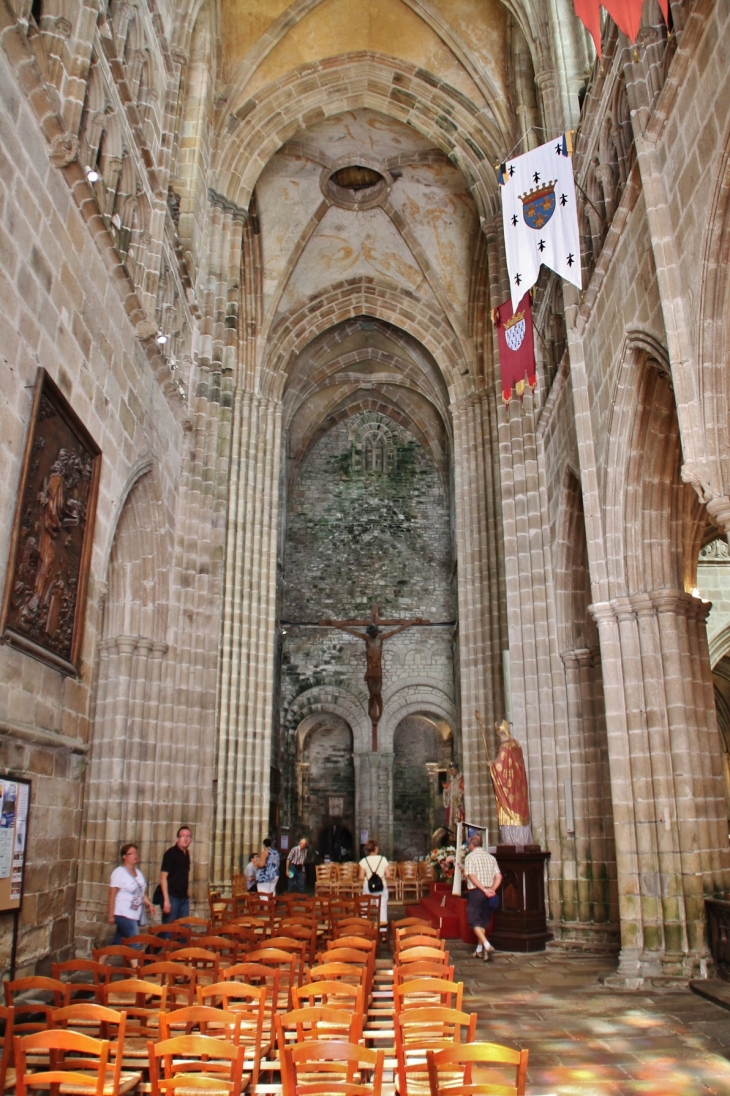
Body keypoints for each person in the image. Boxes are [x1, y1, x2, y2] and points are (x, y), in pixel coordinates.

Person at [488, 720, 533, 845]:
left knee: (506, 806)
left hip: (509, 791)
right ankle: (523, 838)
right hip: (518, 785)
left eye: (499, 736)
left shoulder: (505, 746)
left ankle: (512, 840)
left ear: (502, 734)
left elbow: (500, 767)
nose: (499, 739)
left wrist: (491, 766)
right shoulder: (516, 744)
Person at [464, 832, 502, 961]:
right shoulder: (491, 857)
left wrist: (484, 890)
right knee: (483, 922)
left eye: (469, 844)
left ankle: (486, 944)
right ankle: (479, 951)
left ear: (472, 845)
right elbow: (498, 876)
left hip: (477, 892)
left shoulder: (470, 857)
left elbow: (471, 876)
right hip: (489, 893)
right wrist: (491, 889)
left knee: (474, 921)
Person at [108, 842, 155, 944]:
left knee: (118, 941)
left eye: (136, 853)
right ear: (124, 857)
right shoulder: (119, 872)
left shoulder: (138, 873)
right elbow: (112, 894)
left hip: (134, 913)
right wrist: (111, 915)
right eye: (132, 853)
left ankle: (100, 958)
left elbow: (141, 893)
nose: (135, 855)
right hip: (123, 912)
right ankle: (137, 959)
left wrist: (149, 904)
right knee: (135, 941)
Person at [159, 825, 192, 923]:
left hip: (183, 898)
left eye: (188, 836)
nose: (186, 839)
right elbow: (163, 877)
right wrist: (166, 900)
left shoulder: (186, 854)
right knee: (168, 930)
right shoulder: (170, 854)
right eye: (183, 836)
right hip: (172, 897)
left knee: (184, 931)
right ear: (177, 838)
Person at [358, 838, 390, 924]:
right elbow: (388, 875)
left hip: (368, 887)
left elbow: (361, 877)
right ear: (376, 848)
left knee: (365, 908)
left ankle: (364, 927)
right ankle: (383, 930)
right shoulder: (383, 859)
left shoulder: (363, 861)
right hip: (381, 886)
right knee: (382, 909)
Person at [443, 763, 465, 827]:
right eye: (450, 771)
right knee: (452, 820)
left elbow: (463, 790)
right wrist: (446, 791)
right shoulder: (451, 780)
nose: (451, 772)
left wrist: (459, 796)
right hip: (452, 804)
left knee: (458, 819)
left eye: (452, 770)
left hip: (458, 804)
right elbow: (448, 789)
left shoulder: (461, 779)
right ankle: (452, 834)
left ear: (457, 770)